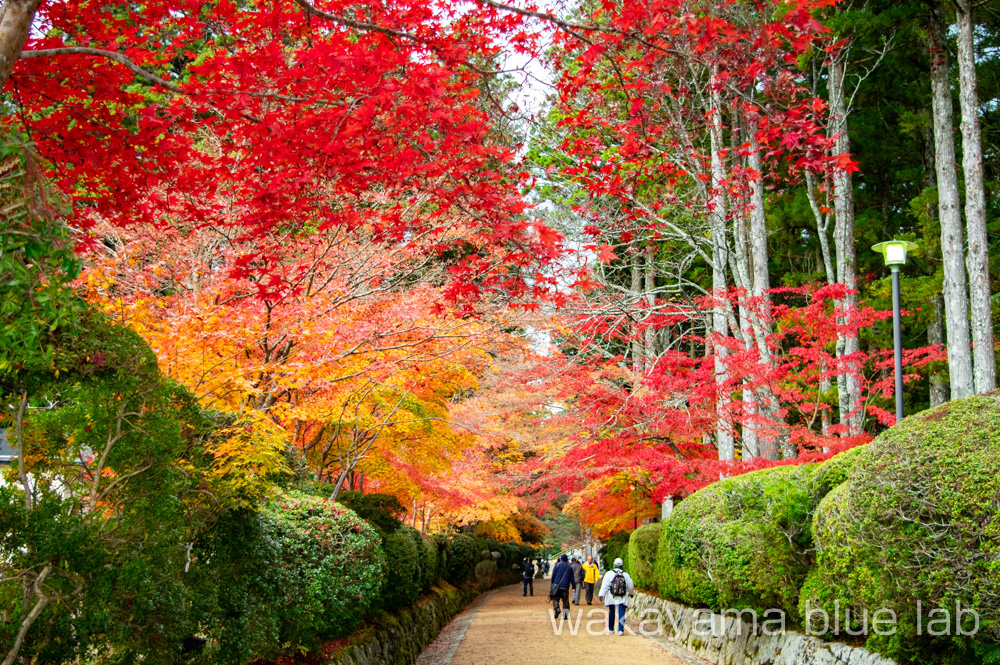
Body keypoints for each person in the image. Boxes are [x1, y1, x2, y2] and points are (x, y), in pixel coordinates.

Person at [598, 557, 635, 635]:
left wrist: (601, 595)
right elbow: (630, 586)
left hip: (611, 596)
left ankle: (611, 629)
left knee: (612, 611)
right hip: (622, 596)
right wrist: (631, 594)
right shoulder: (625, 575)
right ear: (622, 566)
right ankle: (620, 630)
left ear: (614, 565)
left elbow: (604, 585)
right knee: (621, 612)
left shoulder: (608, 574)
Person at [549, 554, 574, 619]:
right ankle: (565, 615)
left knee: (555, 599)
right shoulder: (569, 567)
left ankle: (557, 609)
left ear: (561, 559)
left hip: (557, 585)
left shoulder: (556, 565)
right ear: (567, 559)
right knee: (565, 600)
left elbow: (553, 576)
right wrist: (573, 586)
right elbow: (572, 578)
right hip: (565, 586)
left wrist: (552, 585)